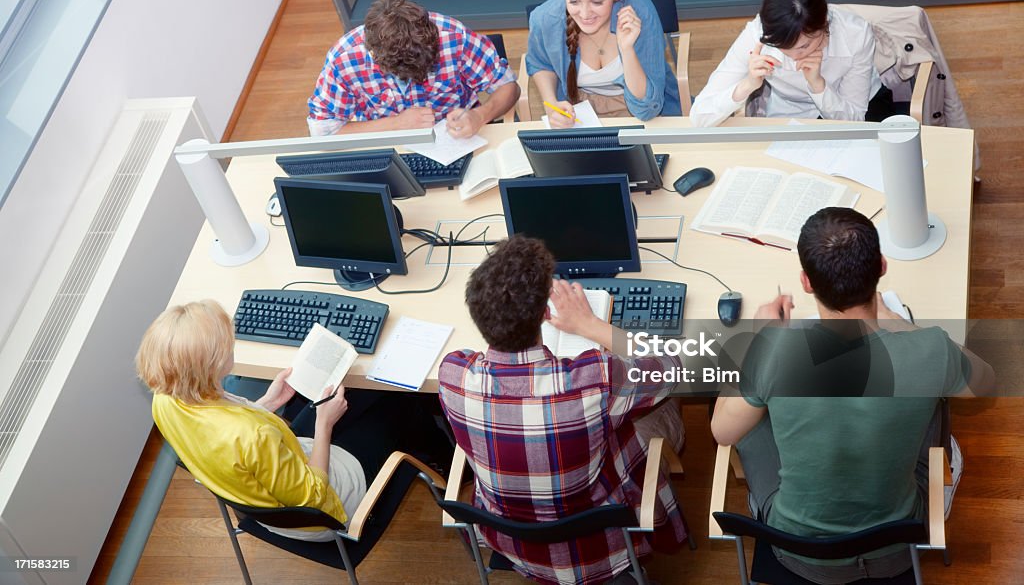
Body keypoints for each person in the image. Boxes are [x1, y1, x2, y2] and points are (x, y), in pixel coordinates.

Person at [711, 207, 994, 584]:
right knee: (937, 397)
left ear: (806, 282)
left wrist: (756, 341)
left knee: (749, 414)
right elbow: (986, 385)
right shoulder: (932, 351)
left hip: (798, 552)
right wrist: (904, 325)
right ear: (881, 266)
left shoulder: (775, 353)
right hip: (895, 548)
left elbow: (721, 433)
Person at [438, 235, 687, 585]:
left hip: (516, 547)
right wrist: (588, 324)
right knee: (659, 404)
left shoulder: (453, 375)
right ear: (544, 314)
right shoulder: (592, 379)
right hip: (601, 551)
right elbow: (674, 367)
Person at [136, 299, 449, 541]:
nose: (232, 342)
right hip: (324, 509)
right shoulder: (254, 436)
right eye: (227, 344)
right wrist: (323, 423)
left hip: (280, 471)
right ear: (211, 365)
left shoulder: (165, 400)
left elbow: (224, 441)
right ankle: (450, 468)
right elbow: (314, 496)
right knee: (398, 400)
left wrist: (270, 402)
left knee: (356, 393)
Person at [307, 0, 520, 138]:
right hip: (384, 140)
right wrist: (396, 124)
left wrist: (480, 115)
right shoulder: (344, 59)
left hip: (459, 136)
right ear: (374, 56)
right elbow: (323, 130)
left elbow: (508, 86)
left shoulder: (454, 37)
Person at [691, 0, 882, 127]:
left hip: (850, 108)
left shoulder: (855, 34)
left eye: (804, 46)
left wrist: (818, 86)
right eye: (782, 47)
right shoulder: (758, 35)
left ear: (824, 24)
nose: (792, 56)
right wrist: (747, 85)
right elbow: (699, 117)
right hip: (789, 114)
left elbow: (855, 121)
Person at [526, 0, 681, 125]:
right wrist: (551, 105)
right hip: (579, 112)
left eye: (597, 2)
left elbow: (646, 109)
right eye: (573, 1)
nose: (584, 14)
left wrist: (627, 49)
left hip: (637, 112)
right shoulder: (545, 18)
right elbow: (540, 63)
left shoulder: (640, 12)